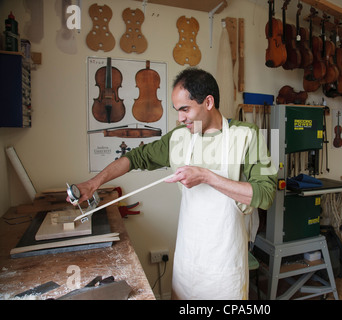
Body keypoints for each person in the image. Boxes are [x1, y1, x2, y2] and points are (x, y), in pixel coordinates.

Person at [70, 68, 276, 299]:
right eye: (177, 110)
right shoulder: (180, 137)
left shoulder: (246, 135)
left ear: (208, 102)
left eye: (185, 109)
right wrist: (93, 183)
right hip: (188, 261)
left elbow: (265, 194)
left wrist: (207, 176)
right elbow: (135, 158)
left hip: (225, 266)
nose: (180, 118)